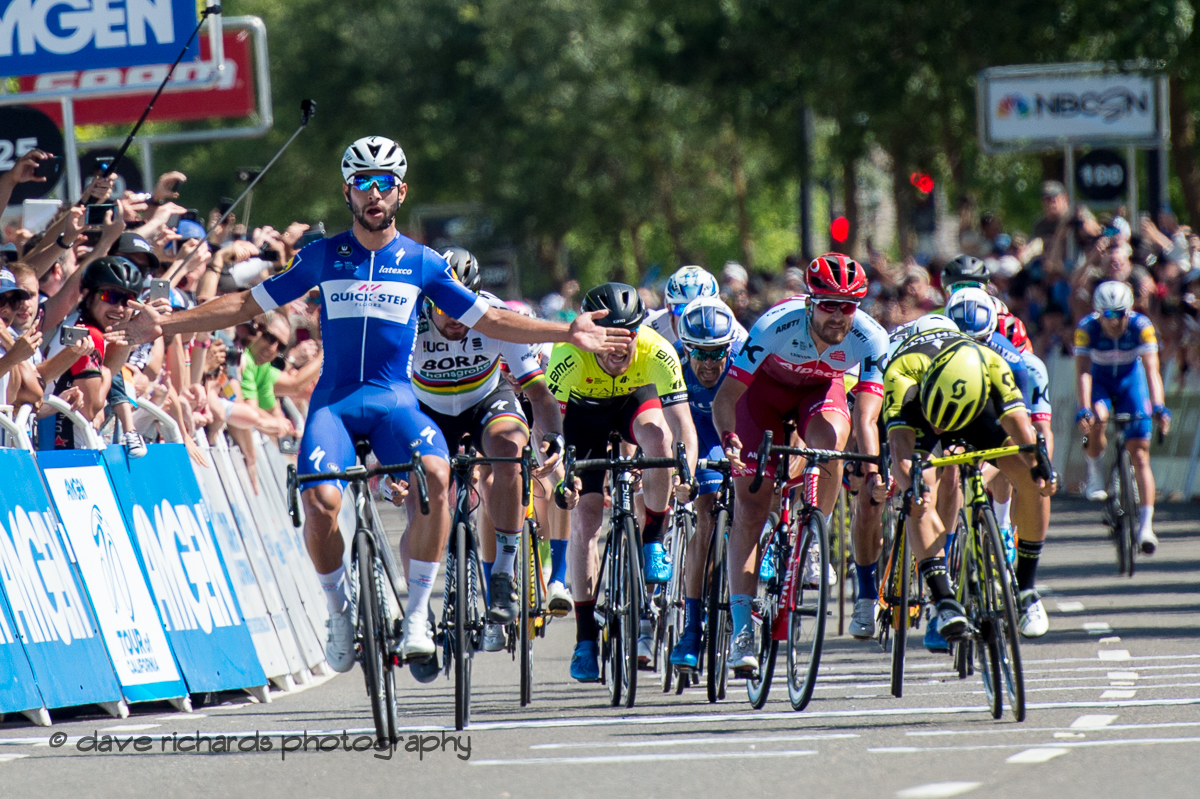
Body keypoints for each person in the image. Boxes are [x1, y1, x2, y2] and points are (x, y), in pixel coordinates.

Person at [115, 135, 629, 673]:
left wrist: (567, 331)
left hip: (395, 403)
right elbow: (245, 303)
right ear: (348, 192)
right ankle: (339, 614)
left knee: (435, 473)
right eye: (363, 183)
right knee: (321, 506)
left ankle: (415, 619)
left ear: (401, 192)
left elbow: (491, 320)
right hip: (335, 405)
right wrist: (167, 321)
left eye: (384, 183)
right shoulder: (321, 257)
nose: (374, 193)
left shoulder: (423, 262)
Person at [713, 253, 889, 672]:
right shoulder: (775, 325)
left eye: (848, 306)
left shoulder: (871, 338)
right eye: (828, 304)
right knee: (752, 506)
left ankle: (815, 535)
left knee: (831, 440)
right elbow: (726, 398)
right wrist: (729, 439)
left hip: (818, 392)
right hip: (762, 398)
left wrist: (875, 472)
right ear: (811, 301)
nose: (838, 315)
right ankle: (742, 630)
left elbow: (866, 416)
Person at [407, 246, 565, 653]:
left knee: (509, 450)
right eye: (447, 311)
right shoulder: (410, 317)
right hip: (428, 406)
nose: (458, 320)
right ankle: (417, 614)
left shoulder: (493, 316)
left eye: (466, 309)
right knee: (420, 497)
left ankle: (503, 574)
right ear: (430, 303)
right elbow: (389, 393)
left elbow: (539, 394)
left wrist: (553, 440)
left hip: (486, 400)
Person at [549, 282, 697, 682]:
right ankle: (585, 639)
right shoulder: (567, 356)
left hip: (634, 404)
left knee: (659, 438)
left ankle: (651, 540)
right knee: (585, 520)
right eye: (606, 340)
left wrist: (689, 473)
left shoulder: (656, 349)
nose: (617, 350)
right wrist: (564, 480)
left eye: (626, 339)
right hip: (583, 420)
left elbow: (683, 422)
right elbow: (549, 431)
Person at [884, 331, 1057, 642]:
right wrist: (911, 484)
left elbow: (1020, 427)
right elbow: (900, 447)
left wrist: (1041, 466)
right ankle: (944, 600)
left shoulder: (994, 365)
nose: (943, 429)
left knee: (1033, 478)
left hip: (980, 412)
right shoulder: (902, 372)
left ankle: (1027, 589)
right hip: (919, 414)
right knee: (918, 492)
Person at [665, 297, 743, 670]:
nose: (709, 364)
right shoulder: (674, 366)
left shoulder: (745, 357)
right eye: (700, 353)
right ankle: (692, 628)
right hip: (695, 433)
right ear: (686, 347)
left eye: (717, 354)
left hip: (734, 428)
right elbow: (665, 425)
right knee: (707, 515)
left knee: (756, 504)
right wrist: (680, 474)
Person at [1075, 281, 1170, 554]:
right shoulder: (1086, 328)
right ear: (1099, 313)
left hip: (1131, 381)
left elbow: (1152, 369)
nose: (1115, 322)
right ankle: (1094, 472)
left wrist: (1159, 405)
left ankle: (1146, 526)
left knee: (1140, 454)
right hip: (1100, 381)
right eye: (1109, 315)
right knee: (1098, 419)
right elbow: (1082, 371)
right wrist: (1084, 407)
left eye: (1121, 314)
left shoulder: (1142, 327)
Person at [645, 265, 747, 344]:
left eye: (702, 309)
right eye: (682, 308)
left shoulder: (738, 336)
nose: (691, 316)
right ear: (668, 308)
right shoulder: (648, 330)